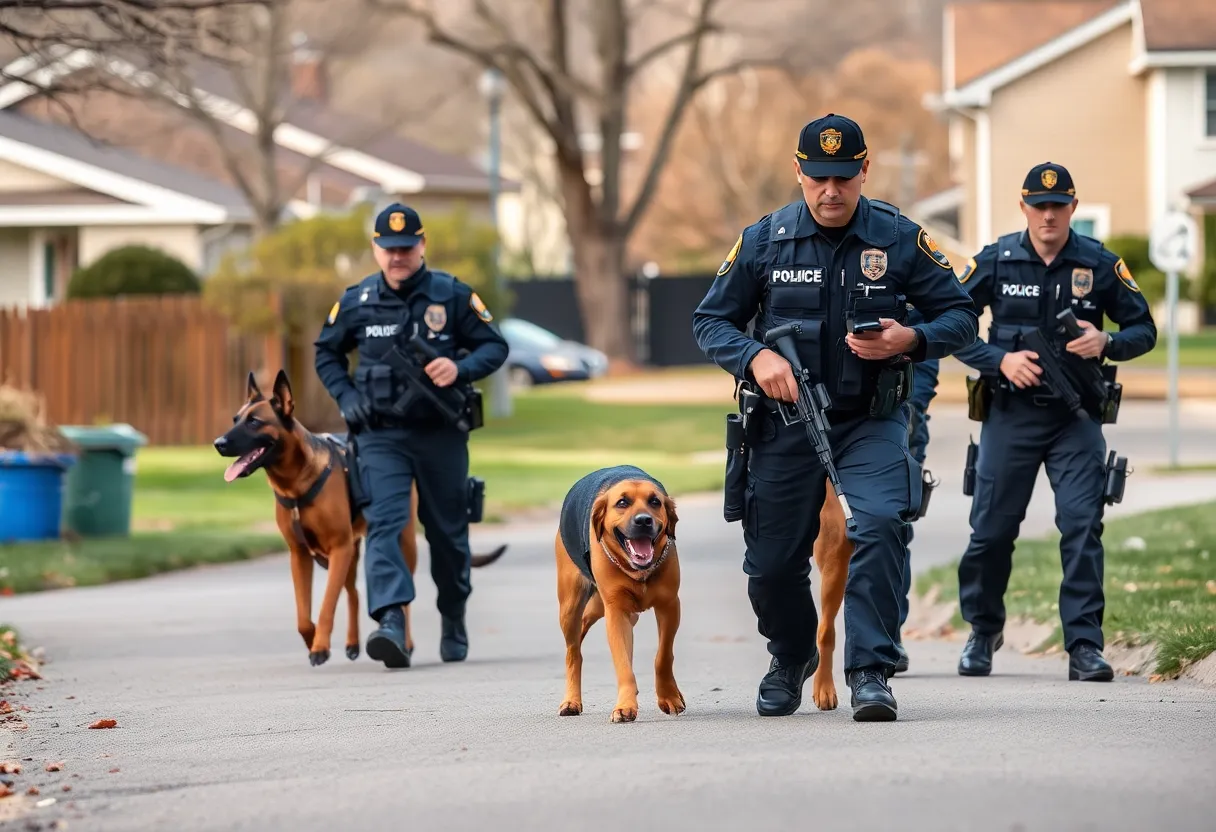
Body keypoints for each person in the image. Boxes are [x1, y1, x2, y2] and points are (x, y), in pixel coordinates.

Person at [692, 113, 979, 721]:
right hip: (784, 422)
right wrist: (756, 356)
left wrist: (912, 338)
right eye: (818, 177)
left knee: (876, 524)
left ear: (864, 171)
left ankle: (870, 670)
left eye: (844, 178)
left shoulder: (899, 238)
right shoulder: (764, 240)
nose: (831, 191)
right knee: (771, 565)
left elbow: (960, 314)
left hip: (868, 418)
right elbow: (709, 321)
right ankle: (791, 656)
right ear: (798, 173)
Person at [950, 162, 1157, 682]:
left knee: (1083, 528)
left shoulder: (1099, 264)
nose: (1048, 215)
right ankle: (982, 630)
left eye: (1058, 206)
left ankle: (1085, 645)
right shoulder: (996, 261)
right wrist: (998, 361)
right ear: (1023, 208)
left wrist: (1107, 341)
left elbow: (1144, 329)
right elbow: (950, 323)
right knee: (990, 532)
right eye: (1038, 206)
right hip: (1010, 415)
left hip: (1076, 418)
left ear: (1072, 209)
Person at [314, 202, 509, 669]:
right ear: (376, 249)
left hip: (441, 434)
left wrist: (459, 366)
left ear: (422, 245)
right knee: (384, 524)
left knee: (447, 533)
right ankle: (391, 623)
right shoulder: (358, 301)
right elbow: (327, 354)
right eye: (388, 249)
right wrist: (345, 396)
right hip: (381, 437)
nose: (397, 256)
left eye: (405, 247)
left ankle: (453, 614)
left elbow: (494, 346)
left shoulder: (452, 295)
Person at [894, 307, 941, 675]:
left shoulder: (910, 257)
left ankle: (888, 634)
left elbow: (935, 334)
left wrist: (913, 401)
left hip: (901, 417)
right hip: (818, 414)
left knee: (893, 529)